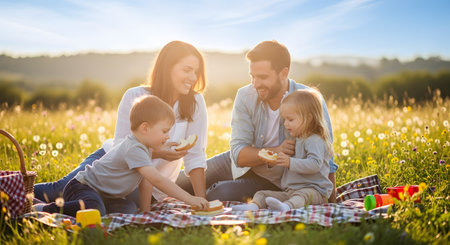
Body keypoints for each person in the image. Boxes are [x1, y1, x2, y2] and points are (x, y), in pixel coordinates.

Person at [34, 41, 209, 205]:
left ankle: (41, 208)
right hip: (109, 165)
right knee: (58, 190)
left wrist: (202, 201)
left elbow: (195, 156)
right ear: (167, 68)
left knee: (106, 205)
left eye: (196, 72)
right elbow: (122, 149)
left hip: (149, 188)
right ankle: (11, 188)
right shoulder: (135, 96)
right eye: (187, 70)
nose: (193, 77)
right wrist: (157, 153)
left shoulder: (195, 102)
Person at [177, 40, 338, 203]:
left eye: (262, 77)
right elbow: (238, 154)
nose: (255, 84)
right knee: (183, 180)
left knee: (217, 193)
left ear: (283, 73)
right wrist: (276, 151)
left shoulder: (309, 99)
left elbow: (327, 158)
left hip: (275, 179)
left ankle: (202, 199)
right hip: (244, 160)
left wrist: (333, 203)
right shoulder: (245, 96)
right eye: (252, 77)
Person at [34, 95, 209, 216]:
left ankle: (94, 207)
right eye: (164, 131)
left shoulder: (144, 148)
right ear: (145, 128)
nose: (168, 136)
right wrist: (189, 198)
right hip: (83, 187)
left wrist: (146, 213)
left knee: (129, 209)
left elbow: (146, 182)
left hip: (106, 195)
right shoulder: (133, 148)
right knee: (94, 208)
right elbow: (158, 180)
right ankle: (44, 208)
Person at [231, 89, 333, 211]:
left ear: (309, 118)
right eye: (284, 120)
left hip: (314, 191)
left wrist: (289, 162)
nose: (285, 124)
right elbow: (292, 166)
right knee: (262, 194)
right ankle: (253, 206)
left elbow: (315, 164)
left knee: (301, 196)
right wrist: (275, 162)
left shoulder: (314, 140)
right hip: (290, 191)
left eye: (290, 120)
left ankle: (287, 207)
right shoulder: (296, 139)